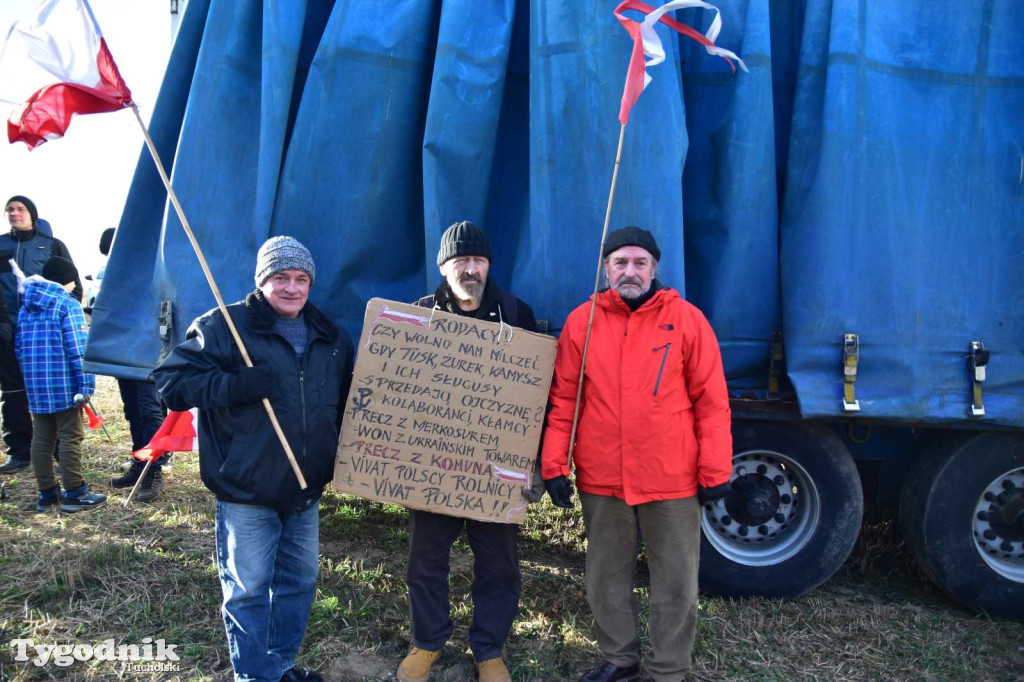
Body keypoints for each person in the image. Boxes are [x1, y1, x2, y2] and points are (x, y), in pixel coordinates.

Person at [153, 236, 353, 682]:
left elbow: (345, 402)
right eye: (280, 277)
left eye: (301, 279)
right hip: (247, 488)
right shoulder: (223, 327)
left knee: (298, 585)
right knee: (247, 591)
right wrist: (236, 386)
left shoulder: (331, 335)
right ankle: (255, 675)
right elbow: (170, 382)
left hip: (305, 489)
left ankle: (279, 666)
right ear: (261, 280)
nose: (292, 288)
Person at [541, 227, 733, 682]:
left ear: (654, 269)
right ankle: (619, 659)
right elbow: (565, 398)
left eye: (639, 263)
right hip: (602, 477)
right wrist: (553, 464)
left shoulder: (687, 320)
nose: (630, 271)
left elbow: (711, 401)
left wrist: (715, 470)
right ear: (606, 268)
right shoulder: (580, 322)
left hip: (672, 478)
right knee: (606, 577)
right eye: (620, 262)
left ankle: (667, 669)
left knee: (677, 582)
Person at [397, 221, 538, 682]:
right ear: (443, 266)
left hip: (494, 474)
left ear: (488, 265)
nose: (470, 269)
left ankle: (489, 649)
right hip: (433, 468)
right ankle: (427, 641)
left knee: (499, 564)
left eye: (478, 260)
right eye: (461, 260)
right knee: (425, 561)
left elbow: (536, 395)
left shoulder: (517, 314)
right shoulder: (418, 315)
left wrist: (531, 463)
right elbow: (397, 392)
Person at [0, 196, 83, 474]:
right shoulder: (0, 245)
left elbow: (73, 284)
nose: (14, 213)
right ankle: (19, 451)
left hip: (43, 333)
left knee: (52, 389)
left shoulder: (51, 244)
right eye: (9, 209)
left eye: (20, 209)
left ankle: (60, 450)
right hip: (7, 329)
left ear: (32, 215)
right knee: (12, 393)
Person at [16, 256, 105, 512]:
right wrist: (86, 386)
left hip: (35, 385)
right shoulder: (67, 304)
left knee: (42, 439)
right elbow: (78, 349)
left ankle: (46, 494)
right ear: (69, 279)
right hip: (64, 385)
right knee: (70, 437)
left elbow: (19, 348)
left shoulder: (26, 306)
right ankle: (75, 492)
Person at [98, 228, 169, 502]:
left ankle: (152, 470)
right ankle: (140, 462)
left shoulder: (154, 268)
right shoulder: (114, 274)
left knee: (149, 411)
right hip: (123, 348)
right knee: (132, 410)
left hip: (148, 348)